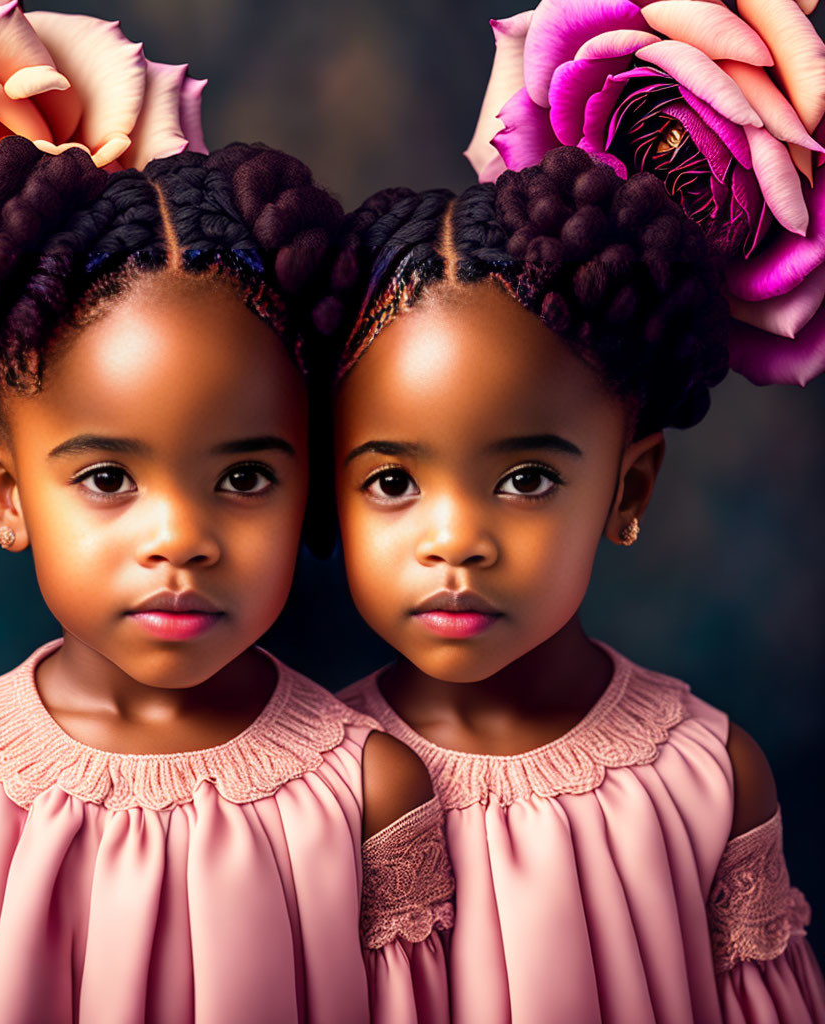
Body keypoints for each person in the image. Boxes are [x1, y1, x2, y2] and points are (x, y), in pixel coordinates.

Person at [0, 136, 453, 1024]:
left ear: (313, 483)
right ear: (8, 494)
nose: (180, 540)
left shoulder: (372, 795)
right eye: (108, 478)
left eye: (245, 478)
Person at [330, 146, 825, 1024]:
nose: (456, 544)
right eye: (393, 482)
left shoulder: (705, 779)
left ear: (626, 487)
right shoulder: (303, 788)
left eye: (525, 479)